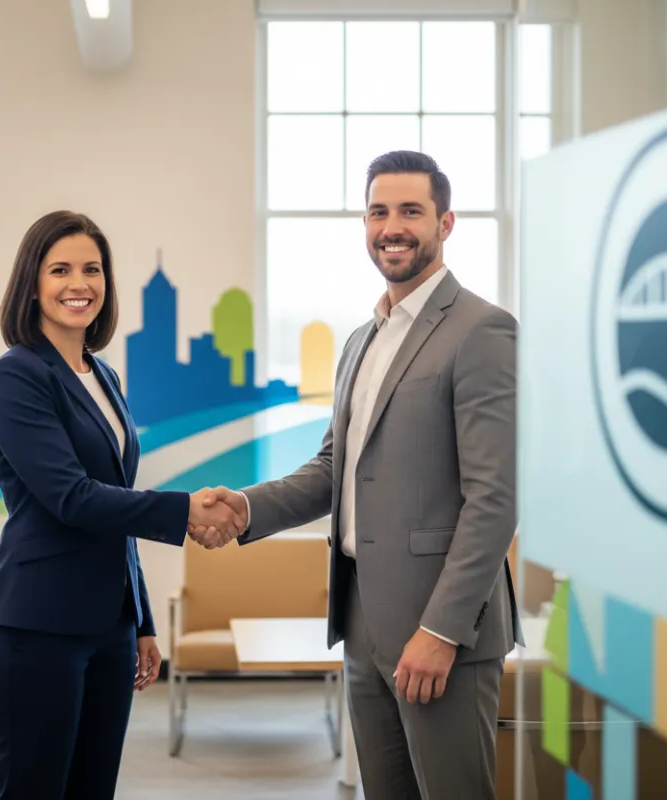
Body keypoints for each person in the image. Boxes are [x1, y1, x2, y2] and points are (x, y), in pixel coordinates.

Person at [195, 151, 522, 800]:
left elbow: (495, 498)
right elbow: (333, 471)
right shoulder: (360, 342)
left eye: (410, 211)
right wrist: (246, 507)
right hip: (363, 619)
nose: (391, 226)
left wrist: (440, 631)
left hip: (440, 630)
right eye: (378, 211)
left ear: (445, 223)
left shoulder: (482, 330)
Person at [0, 210, 243, 799]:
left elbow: (114, 504)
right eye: (61, 269)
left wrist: (141, 619)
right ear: (33, 282)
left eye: (93, 269)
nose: (80, 284)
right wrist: (184, 510)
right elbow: (71, 498)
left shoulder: (102, 375)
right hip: (37, 626)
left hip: (109, 628)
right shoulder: (17, 375)